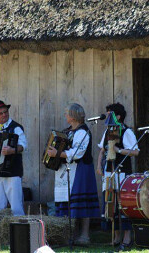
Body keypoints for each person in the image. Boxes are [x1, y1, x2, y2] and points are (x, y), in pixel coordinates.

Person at [47, 103, 100, 245]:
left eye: (67, 114)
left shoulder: (83, 132)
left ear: (74, 116)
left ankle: (84, 236)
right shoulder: (68, 131)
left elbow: (77, 153)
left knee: (81, 203)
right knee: (68, 203)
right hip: (65, 171)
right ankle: (71, 235)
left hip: (81, 170)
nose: (65, 116)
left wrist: (56, 153)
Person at [96, 103, 139, 250]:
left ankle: (127, 237)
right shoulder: (107, 131)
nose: (107, 116)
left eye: (110, 114)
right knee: (110, 204)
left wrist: (118, 150)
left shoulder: (126, 132)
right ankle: (115, 237)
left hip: (122, 173)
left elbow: (135, 152)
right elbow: (102, 150)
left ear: (118, 116)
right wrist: (99, 166)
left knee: (123, 205)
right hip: (109, 173)